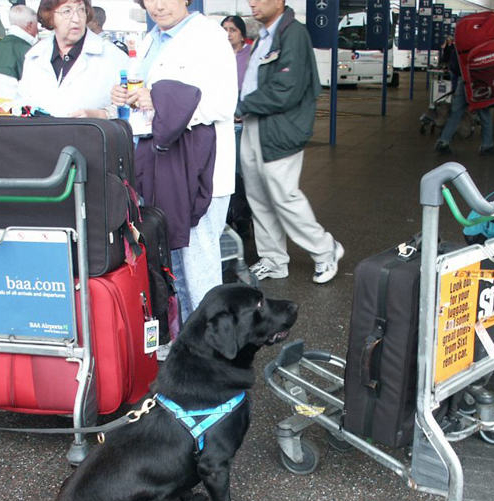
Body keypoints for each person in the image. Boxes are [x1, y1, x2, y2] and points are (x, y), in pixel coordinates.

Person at [110, 0, 237, 323]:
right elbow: (147, 96)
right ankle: (184, 341)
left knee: (199, 265)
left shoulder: (208, 36)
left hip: (199, 169)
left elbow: (222, 103)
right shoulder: (152, 39)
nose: (158, 5)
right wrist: (128, 96)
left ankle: (212, 348)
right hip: (159, 167)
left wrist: (161, 98)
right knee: (171, 262)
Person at [237, 0, 343, 284]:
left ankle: (325, 250)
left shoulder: (293, 34)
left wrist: (241, 105)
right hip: (254, 123)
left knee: (284, 196)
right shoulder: (264, 35)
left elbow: (286, 88)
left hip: (278, 127)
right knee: (258, 196)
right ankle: (273, 259)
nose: (252, 3)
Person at [15, 0, 129, 118]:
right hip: (41, 135)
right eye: (67, 11)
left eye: (81, 10)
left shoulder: (113, 56)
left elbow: (135, 108)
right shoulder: (35, 56)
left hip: (90, 135)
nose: (76, 19)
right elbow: (21, 104)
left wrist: (102, 114)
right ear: (49, 16)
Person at [221, 14, 253, 237]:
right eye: (224, 29)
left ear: (242, 34)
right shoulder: (216, 55)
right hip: (222, 124)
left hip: (242, 124)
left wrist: (243, 112)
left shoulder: (250, 56)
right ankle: (229, 217)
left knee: (241, 176)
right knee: (226, 174)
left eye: (232, 29)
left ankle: (243, 218)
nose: (228, 34)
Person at [434, 43, 494, 156]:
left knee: (455, 114)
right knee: (485, 114)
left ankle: (443, 141)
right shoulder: (484, 42)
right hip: (480, 80)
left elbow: (454, 66)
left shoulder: (462, 40)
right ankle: (487, 145)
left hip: (464, 80)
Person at [0, 4, 38, 110]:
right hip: (16, 116)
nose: (38, 30)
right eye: (37, 25)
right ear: (30, 25)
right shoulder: (27, 50)